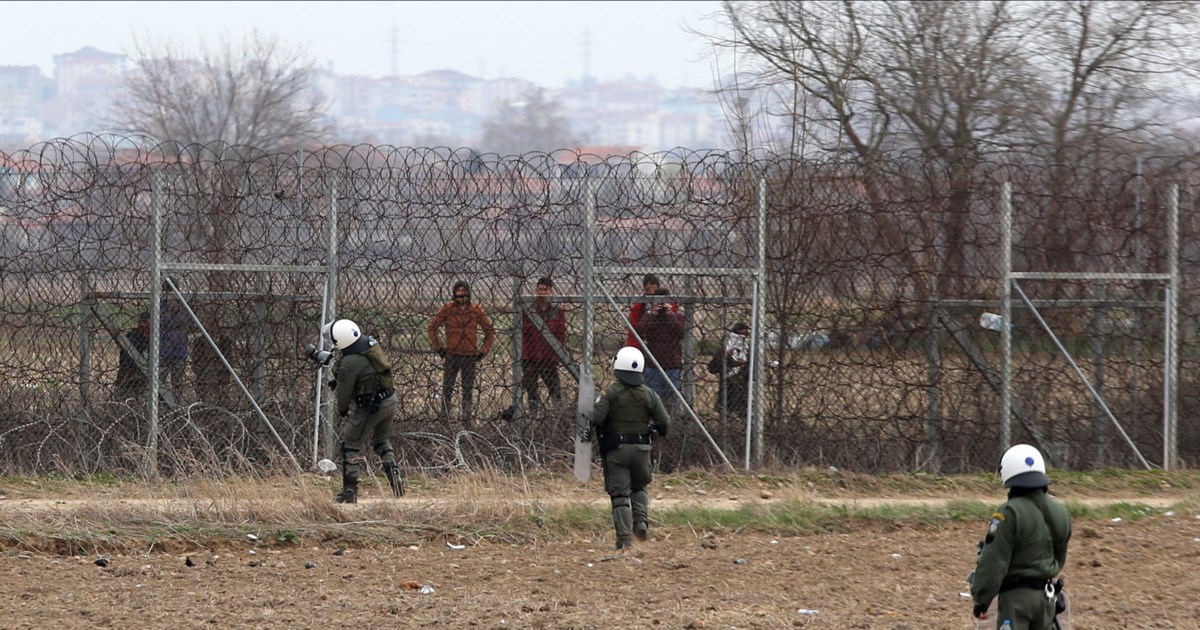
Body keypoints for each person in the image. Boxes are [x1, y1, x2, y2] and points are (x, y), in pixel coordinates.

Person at [970, 444, 1072, 630]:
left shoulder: (1008, 512)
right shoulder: (1061, 511)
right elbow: (1059, 555)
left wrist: (981, 600)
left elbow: (994, 561)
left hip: (1016, 599)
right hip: (1047, 598)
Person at [591, 346, 670, 550]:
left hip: (616, 450)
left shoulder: (610, 393)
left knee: (620, 496)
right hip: (642, 450)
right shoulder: (649, 394)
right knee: (639, 487)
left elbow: (596, 418)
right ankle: (641, 522)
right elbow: (664, 423)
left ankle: (624, 539)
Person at [326, 318, 402, 504]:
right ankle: (396, 480)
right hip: (390, 401)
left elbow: (343, 394)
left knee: (350, 441)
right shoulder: (368, 344)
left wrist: (342, 410)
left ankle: (350, 490)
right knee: (381, 441)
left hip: (372, 407)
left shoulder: (349, 361)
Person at [427, 280, 495, 423]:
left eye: (464, 291)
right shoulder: (448, 309)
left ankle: (467, 420)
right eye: (458, 292)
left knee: (467, 390)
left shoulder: (475, 309)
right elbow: (432, 327)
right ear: (454, 293)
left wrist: (483, 351)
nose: (461, 294)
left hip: (470, 356)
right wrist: (438, 348)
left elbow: (489, 331)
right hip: (452, 354)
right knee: (447, 388)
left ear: (468, 292)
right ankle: (444, 419)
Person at [518, 276, 567, 415]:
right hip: (530, 358)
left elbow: (561, 335)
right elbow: (523, 334)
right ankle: (534, 418)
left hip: (548, 358)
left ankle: (558, 418)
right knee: (532, 391)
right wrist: (525, 355)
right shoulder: (529, 310)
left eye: (545, 289)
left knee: (555, 390)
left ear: (551, 291)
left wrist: (557, 356)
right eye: (540, 289)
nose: (542, 292)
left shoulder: (557, 311)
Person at [634, 287, 685, 415]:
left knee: (672, 403)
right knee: (651, 402)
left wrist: (670, 314)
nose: (661, 305)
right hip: (653, 365)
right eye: (659, 302)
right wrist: (653, 314)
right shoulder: (649, 316)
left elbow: (681, 333)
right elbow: (639, 331)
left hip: (672, 365)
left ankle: (671, 428)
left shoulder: (676, 316)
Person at [625, 274, 679, 350]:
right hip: (647, 345)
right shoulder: (639, 306)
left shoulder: (669, 303)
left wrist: (670, 313)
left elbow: (679, 328)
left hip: (669, 345)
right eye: (648, 289)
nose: (652, 292)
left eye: (655, 289)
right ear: (645, 289)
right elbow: (634, 331)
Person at [713, 322, 751, 417]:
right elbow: (712, 368)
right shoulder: (724, 350)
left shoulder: (748, 350)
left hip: (742, 391)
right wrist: (726, 358)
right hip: (728, 389)